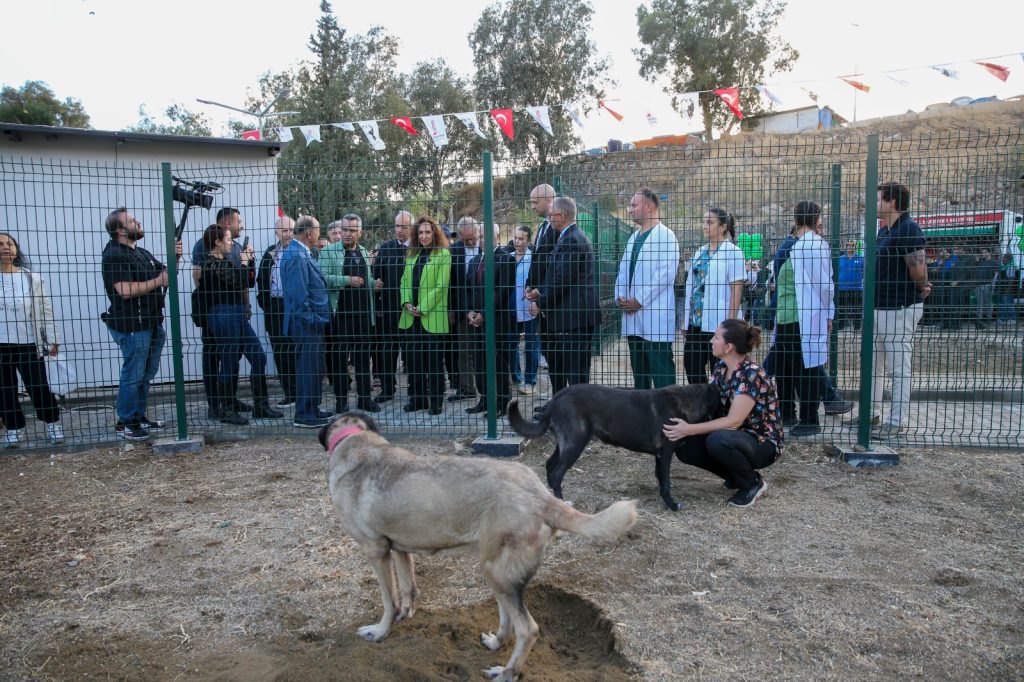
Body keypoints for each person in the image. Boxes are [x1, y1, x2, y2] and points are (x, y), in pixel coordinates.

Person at [663, 318, 783, 508]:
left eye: (716, 337)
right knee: (686, 447)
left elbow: (733, 422)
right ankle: (737, 477)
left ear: (728, 347)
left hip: (762, 442)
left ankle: (752, 483)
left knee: (717, 440)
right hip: (734, 437)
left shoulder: (750, 374)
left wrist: (689, 428)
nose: (711, 341)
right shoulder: (721, 368)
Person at [847, 182, 931, 439]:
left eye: (877, 199)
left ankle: (896, 422)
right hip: (878, 307)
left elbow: (917, 268)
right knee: (873, 365)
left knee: (898, 367)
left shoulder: (909, 229)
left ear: (892, 202)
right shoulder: (885, 232)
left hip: (898, 308)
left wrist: (921, 287)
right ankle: (870, 415)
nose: (872, 204)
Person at [100, 208, 181, 440]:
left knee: (145, 374)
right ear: (119, 230)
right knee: (133, 374)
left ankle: (138, 416)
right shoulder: (114, 254)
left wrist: (176, 257)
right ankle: (125, 422)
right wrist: (158, 281)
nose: (138, 222)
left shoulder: (141, 252)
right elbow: (124, 290)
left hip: (151, 322)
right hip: (132, 325)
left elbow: (167, 274)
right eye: (132, 220)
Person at [198, 225, 283, 425]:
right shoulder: (210, 264)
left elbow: (247, 281)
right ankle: (226, 410)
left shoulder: (226, 262)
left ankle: (261, 407)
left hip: (237, 313)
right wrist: (244, 264)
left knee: (258, 357)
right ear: (217, 242)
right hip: (222, 314)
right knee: (229, 361)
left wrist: (249, 262)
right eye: (228, 239)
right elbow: (238, 280)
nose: (231, 243)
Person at [771, 201, 835, 438]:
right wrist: (828, 311)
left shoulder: (806, 246)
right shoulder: (807, 245)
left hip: (803, 316)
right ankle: (811, 409)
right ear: (817, 218)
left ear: (796, 219)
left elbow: (822, 285)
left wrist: (827, 312)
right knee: (797, 368)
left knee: (804, 368)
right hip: (797, 315)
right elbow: (825, 286)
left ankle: (811, 417)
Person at [526, 197, 601, 394]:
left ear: (563, 216)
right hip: (569, 317)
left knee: (576, 374)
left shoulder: (572, 241)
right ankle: (563, 409)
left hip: (575, 319)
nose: (549, 219)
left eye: (552, 215)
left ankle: (578, 419)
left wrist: (540, 300)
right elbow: (558, 276)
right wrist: (538, 291)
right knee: (565, 368)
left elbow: (562, 281)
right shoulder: (567, 237)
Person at [0, 233, 66, 447]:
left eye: (9, 243)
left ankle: (52, 424)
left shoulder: (31, 278)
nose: (6, 247)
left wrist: (53, 339)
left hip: (28, 343)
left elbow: (45, 310)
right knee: (5, 390)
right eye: (0, 244)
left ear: (16, 249)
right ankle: (14, 429)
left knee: (38, 386)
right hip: (1, 345)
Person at [191, 207, 254, 419]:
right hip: (216, 311)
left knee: (232, 355)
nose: (242, 226)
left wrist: (246, 305)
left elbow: (242, 281)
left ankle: (230, 399)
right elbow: (200, 277)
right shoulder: (204, 245)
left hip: (235, 309)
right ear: (228, 224)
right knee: (214, 357)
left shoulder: (235, 247)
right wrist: (211, 309)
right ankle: (215, 405)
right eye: (239, 222)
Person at [615, 188, 680, 389]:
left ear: (649, 207)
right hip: (632, 313)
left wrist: (640, 300)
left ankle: (670, 414)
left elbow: (665, 275)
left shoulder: (666, 236)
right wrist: (620, 296)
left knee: (661, 369)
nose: (629, 209)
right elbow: (623, 270)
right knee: (639, 372)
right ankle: (642, 415)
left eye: (634, 205)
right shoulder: (633, 237)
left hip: (655, 313)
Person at [320, 214, 380, 414]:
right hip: (341, 315)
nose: (347, 234)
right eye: (344, 229)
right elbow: (323, 278)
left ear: (360, 233)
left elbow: (366, 280)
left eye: (352, 231)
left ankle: (364, 399)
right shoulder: (328, 252)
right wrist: (347, 280)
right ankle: (341, 401)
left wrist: (375, 284)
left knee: (363, 358)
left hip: (363, 315)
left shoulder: (363, 251)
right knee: (339, 359)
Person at [680, 208, 747, 384]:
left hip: (718, 325)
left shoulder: (733, 253)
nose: (704, 226)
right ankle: (702, 408)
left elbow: (736, 290)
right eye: (704, 222)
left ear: (723, 227)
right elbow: (691, 288)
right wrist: (685, 321)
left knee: (721, 374)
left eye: (710, 223)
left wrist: (730, 326)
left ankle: (721, 410)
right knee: (692, 368)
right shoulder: (699, 253)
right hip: (695, 324)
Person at [281, 215, 332, 428]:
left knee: (313, 368)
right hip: (306, 324)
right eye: (318, 231)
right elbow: (298, 296)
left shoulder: (302, 253)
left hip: (311, 322)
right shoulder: (296, 256)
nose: (319, 235)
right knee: (307, 368)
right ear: (309, 233)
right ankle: (304, 413)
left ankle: (311, 408)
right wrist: (313, 319)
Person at [399, 217, 451, 415]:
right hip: (411, 316)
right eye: (420, 233)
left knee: (434, 362)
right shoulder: (412, 255)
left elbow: (441, 286)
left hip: (432, 317)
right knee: (414, 361)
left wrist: (422, 307)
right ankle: (417, 399)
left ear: (435, 233)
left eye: (428, 232)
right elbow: (404, 282)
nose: (424, 236)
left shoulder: (443, 255)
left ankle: (436, 402)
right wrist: (406, 303)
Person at [465, 225, 516, 417]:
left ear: (497, 237)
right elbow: (468, 289)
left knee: (498, 362)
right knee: (480, 361)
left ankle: (502, 402)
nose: (483, 239)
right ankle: (485, 399)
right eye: (481, 236)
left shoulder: (506, 259)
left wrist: (485, 314)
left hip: (497, 320)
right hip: (475, 321)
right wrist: (469, 311)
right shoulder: (475, 260)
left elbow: (502, 292)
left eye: (487, 236)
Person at [256, 215, 297, 407]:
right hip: (276, 307)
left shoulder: (301, 251)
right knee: (281, 351)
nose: (288, 234)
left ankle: (303, 392)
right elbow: (261, 281)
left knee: (298, 349)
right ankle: (290, 393)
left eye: (291, 230)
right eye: (284, 231)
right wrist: (267, 304)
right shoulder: (270, 253)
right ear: (277, 233)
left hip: (296, 307)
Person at [371, 211, 412, 404]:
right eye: (397, 226)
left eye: (403, 226)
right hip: (388, 310)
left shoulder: (418, 249)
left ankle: (415, 388)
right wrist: (377, 292)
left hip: (412, 311)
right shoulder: (385, 249)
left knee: (412, 352)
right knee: (388, 352)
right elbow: (376, 277)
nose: (399, 230)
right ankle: (387, 389)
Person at [446, 216, 482, 402]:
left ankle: (493, 387)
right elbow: (453, 285)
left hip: (485, 306)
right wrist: (457, 310)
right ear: (459, 236)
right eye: (466, 239)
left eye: (473, 237)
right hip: (462, 307)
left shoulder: (487, 247)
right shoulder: (454, 251)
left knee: (488, 349)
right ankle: (467, 388)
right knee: (464, 350)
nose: (471, 241)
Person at [510, 226, 540, 395]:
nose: (517, 241)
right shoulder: (508, 258)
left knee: (531, 346)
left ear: (528, 241)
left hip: (529, 308)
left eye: (521, 238)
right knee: (511, 345)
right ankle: (516, 379)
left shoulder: (533, 259)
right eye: (516, 237)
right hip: (511, 309)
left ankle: (530, 381)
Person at [836, 240, 864, 330]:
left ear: (855, 247)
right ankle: (840, 327)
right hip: (842, 288)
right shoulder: (840, 259)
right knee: (841, 309)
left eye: (852, 245)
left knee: (857, 309)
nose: (850, 247)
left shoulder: (861, 259)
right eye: (848, 245)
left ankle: (857, 328)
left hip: (856, 288)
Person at [972, 248, 998, 329]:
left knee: (988, 303)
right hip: (978, 285)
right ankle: (979, 320)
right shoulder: (980, 261)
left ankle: (989, 319)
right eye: (982, 252)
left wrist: (992, 285)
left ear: (989, 253)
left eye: (984, 252)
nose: (983, 253)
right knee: (980, 304)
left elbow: (996, 275)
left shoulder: (994, 262)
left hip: (988, 285)